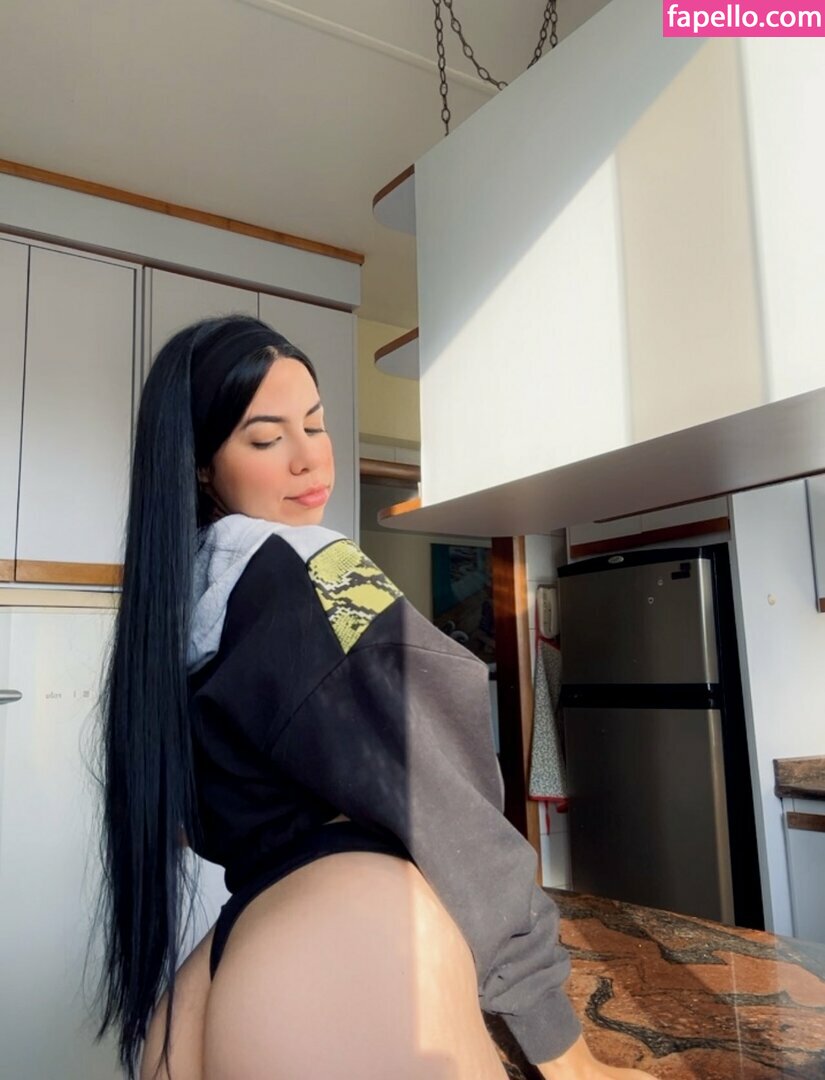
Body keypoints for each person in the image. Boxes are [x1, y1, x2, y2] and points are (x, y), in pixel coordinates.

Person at [92, 315, 654, 1080]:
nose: (308, 458)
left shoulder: (185, 601)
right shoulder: (322, 569)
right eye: (266, 439)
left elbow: (198, 820)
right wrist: (564, 1050)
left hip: (232, 953)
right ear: (201, 466)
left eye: (315, 425)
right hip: (356, 943)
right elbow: (444, 804)